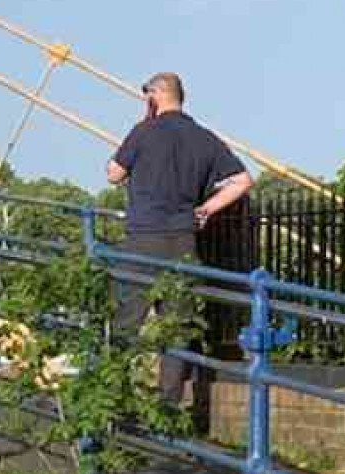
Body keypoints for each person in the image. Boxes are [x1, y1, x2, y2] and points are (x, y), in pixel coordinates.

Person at [105, 72, 253, 404]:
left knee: (127, 322)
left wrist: (144, 121)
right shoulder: (204, 138)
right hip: (183, 242)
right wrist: (206, 209)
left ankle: (114, 401)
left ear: (154, 96)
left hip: (143, 239)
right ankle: (168, 407)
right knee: (177, 326)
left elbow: (114, 174)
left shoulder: (143, 132)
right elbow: (243, 180)